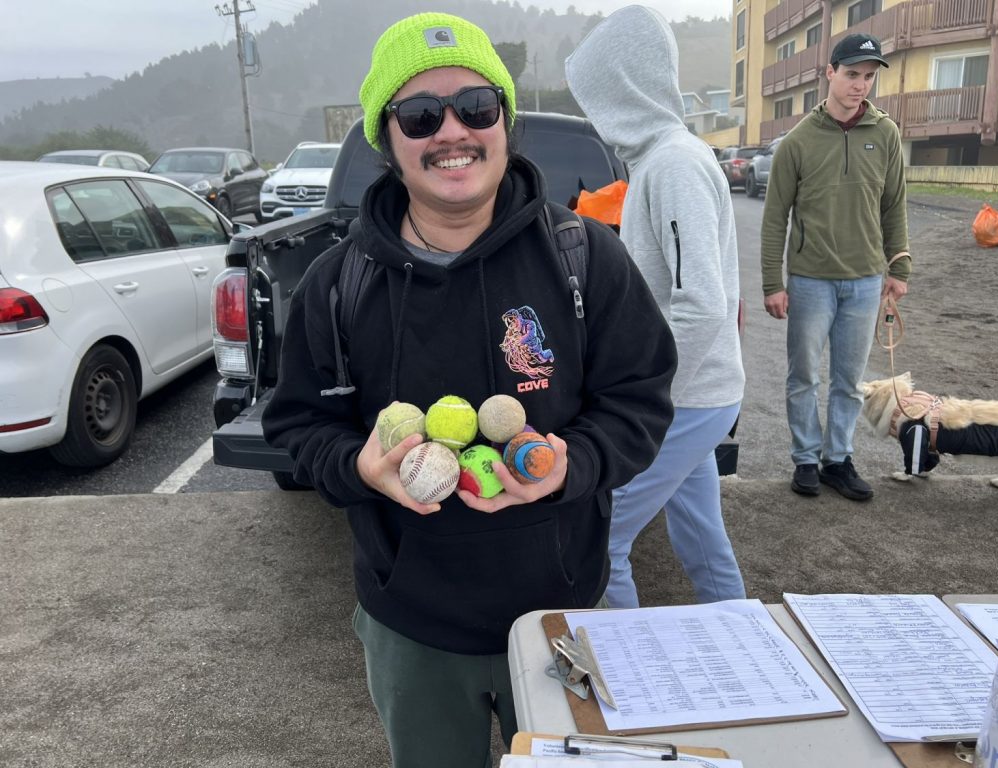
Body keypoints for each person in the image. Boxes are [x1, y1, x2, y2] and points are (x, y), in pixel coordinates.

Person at [261, 12, 677, 768]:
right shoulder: (337, 284)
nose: (451, 131)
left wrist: (568, 464)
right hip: (411, 624)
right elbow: (296, 424)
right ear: (389, 140)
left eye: (475, 107)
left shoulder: (587, 259)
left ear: (504, 122)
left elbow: (640, 399)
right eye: (420, 115)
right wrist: (358, 469)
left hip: (561, 612)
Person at [565, 5, 747, 607]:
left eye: (594, 96)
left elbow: (702, 303)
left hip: (688, 397)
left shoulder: (673, 164)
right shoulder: (658, 162)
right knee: (700, 535)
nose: (593, 115)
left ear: (621, 87)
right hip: (699, 392)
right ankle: (739, 644)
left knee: (601, 534)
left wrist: (645, 394)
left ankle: (622, 681)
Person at [761, 32, 911, 501]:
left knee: (848, 382)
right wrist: (773, 282)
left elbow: (894, 207)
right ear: (829, 73)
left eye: (868, 77)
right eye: (851, 75)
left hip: (865, 281)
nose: (860, 86)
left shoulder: (886, 134)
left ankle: (837, 460)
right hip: (810, 280)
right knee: (803, 375)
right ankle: (806, 458)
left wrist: (899, 268)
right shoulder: (798, 141)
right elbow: (774, 217)